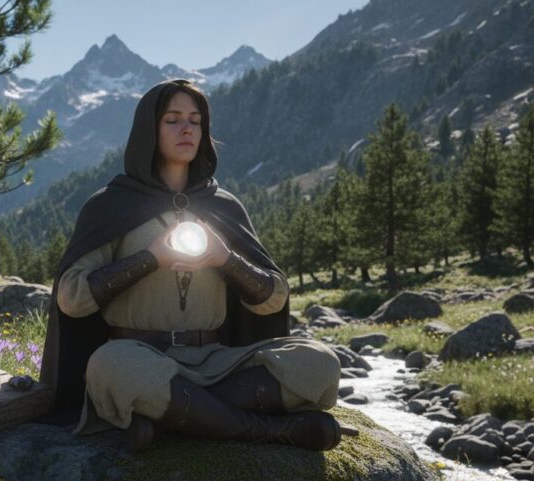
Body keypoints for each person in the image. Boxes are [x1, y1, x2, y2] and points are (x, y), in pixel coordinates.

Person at [38, 79, 357, 453]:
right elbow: (72, 298)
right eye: (172, 119)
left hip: (217, 361)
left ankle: (173, 418)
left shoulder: (223, 206)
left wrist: (226, 260)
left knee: (319, 363)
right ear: (149, 130)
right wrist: (150, 259)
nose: (187, 128)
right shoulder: (111, 205)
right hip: (140, 355)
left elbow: (274, 297)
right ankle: (268, 430)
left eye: (195, 120)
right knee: (110, 366)